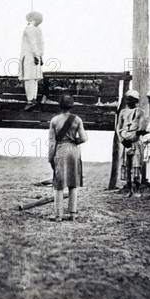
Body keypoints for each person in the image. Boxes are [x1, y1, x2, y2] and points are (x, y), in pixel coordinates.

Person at [47, 94, 88, 222]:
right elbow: (83, 138)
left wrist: (50, 157)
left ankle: (58, 215)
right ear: (72, 106)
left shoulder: (54, 120)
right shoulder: (77, 119)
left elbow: (52, 142)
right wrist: (74, 140)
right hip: (74, 151)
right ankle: (72, 214)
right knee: (73, 182)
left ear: (60, 106)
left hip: (61, 150)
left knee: (58, 184)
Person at [117, 89, 145, 197]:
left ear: (136, 100)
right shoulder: (123, 112)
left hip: (135, 142)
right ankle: (129, 190)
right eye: (127, 99)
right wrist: (122, 140)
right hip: (125, 143)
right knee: (126, 166)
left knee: (136, 166)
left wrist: (132, 139)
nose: (128, 102)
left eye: (131, 100)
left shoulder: (140, 112)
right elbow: (118, 127)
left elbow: (141, 128)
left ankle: (137, 190)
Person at [19, 11, 44, 111]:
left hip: (30, 56)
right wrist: (40, 55)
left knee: (29, 79)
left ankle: (30, 100)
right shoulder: (38, 29)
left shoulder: (29, 29)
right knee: (34, 79)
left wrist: (36, 55)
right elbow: (41, 45)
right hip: (36, 57)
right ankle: (33, 99)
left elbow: (33, 44)